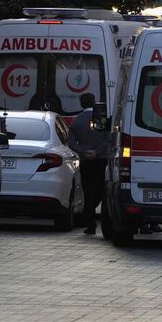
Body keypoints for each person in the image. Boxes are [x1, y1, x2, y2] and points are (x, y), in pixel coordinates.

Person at [68, 93, 113, 235]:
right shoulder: (101, 119)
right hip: (101, 159)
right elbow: (108, 139)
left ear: (81, 104)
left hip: (86, 161)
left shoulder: (76, 121)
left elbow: (71, 143)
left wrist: (83, 151)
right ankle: (95, 212)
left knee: (88, 191)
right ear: (94, 102)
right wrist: (97, 151)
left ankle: (90, 223)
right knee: (101, 189)